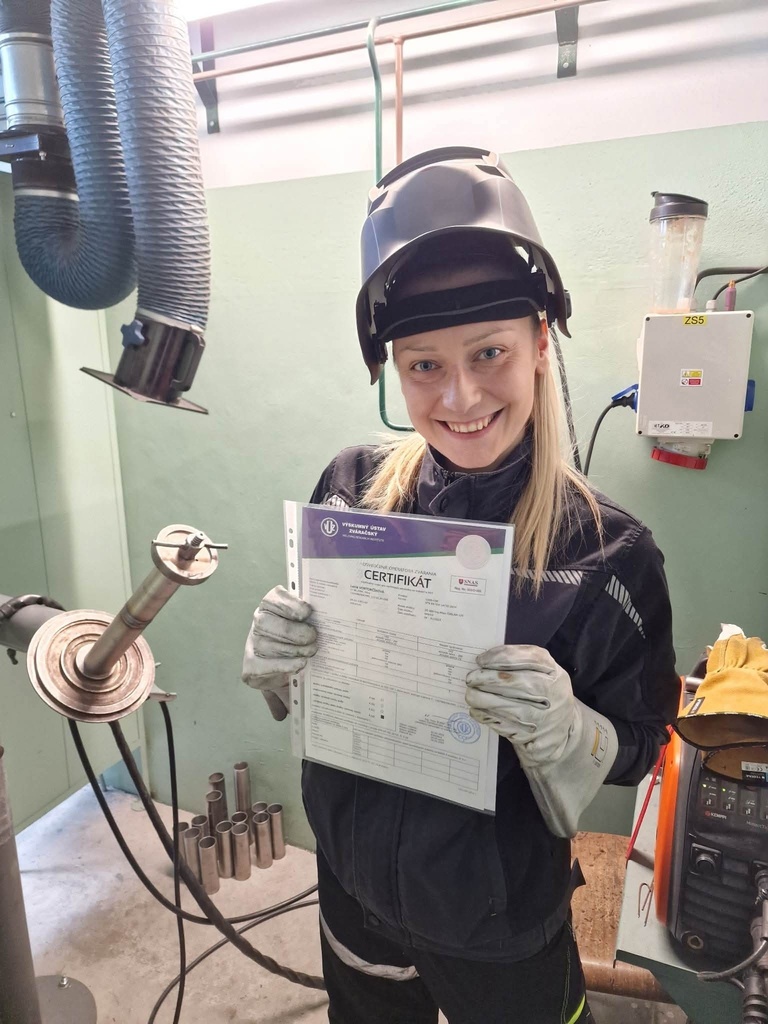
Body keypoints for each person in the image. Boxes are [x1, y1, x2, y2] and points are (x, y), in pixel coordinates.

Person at [242, 147, 680, 1024]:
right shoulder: (351, 490)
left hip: (501, 924)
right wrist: (280, 667)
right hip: (353, 889)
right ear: (391, 367)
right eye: (424, 365)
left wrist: (572, 730)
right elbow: (321, 678)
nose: (462, 397)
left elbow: (641, 742)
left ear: (541, 345)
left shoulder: (610, 553)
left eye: (490, 353)